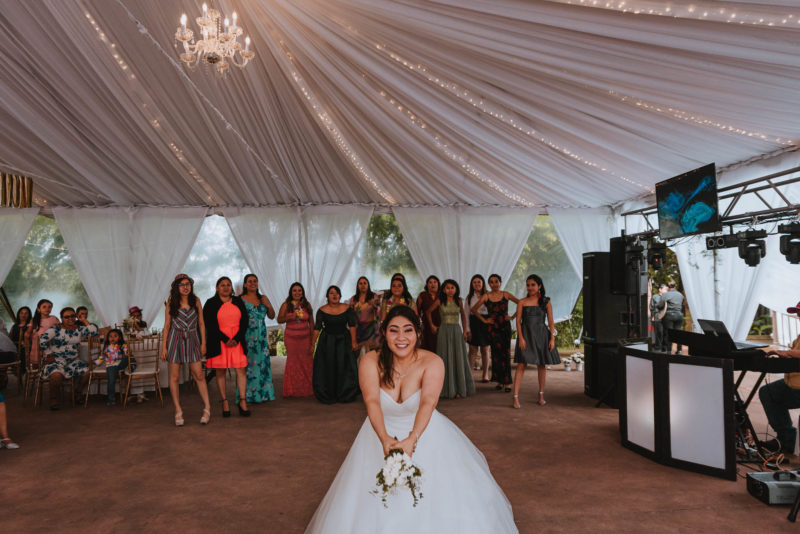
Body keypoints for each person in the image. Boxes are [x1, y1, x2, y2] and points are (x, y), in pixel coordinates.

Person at [304, 306, 518, 533]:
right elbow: (372, 402)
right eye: (394, 331)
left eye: (408, 330)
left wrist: (412, 439)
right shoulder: (370, 361)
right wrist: (384, 438)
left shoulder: (433, 361)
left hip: (425, 433)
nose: (401, 338)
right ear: (384, 333)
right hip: (379, 433)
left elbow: (428, 402)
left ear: (418, 333)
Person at [161, 274, 211, 426]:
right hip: (175, 339)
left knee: (199, 374)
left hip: (193, 339)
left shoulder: (196, 301)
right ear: (176, 287)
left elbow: (201, 323)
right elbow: (167, 326)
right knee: (174, 376)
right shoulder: (171, 303)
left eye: (187, 283)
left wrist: (203, 344)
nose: (185, 286)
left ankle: (207, 408)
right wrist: (164, 347)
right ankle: (178, 410)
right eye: (182, 284)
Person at [38, 307, 106, 410]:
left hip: (73, 361)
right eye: (67, 317)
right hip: (56, 360)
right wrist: (49, 354)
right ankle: (53, 399)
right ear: (61, 318)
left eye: (73, 316)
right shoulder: (55, 329)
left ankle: (77, 393)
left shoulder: (79, 329)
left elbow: (94, 332)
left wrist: (83, 320)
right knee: (56, 376)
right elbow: (43, 340)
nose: (70, 318)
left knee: (87, 372)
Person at [512, 275, 561, 408]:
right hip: (526, 335)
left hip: (541, 335)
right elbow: (518, 321)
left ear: (539, 286)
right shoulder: (522, 302)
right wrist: (520, 337)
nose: (530, 287)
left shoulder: (546, 301)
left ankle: (541, 395)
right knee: (521, 365)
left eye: (533, 284)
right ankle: (515, 397)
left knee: (541, 364)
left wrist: (552, 338)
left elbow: (551, 321)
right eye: (528, 285)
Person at [204, 277, 250, 417]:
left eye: (228, 285)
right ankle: (224, 401)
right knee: (220, 372)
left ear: (231, 288)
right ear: (217, 288)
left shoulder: (238, 301)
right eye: (222, 285)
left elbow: (245, 321)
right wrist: (225, 339)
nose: (226, 287)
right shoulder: (210, 303)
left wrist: (236, 338)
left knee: (240, 370)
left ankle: (242, 401)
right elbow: (209, 324)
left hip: (237, 341)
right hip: (219, 342)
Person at [758, 301, 800, 455]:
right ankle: (786, 439)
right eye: (797, 312)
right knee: (768, 392)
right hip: (792, 383)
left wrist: (786, 353)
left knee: (771, 395)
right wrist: (781, 353)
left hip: (798, 387)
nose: (798, 315)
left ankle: (787, 440)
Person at [471, 274, 519, 392]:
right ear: (489, 284)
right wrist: (485, 320)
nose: (494, 284)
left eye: (496, 281)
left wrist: (512, 317)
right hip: (493, 328)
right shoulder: (486, 296)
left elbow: (521, 303)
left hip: (505, 328)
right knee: (496, 355)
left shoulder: (506, 294)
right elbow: (473, 309)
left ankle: (507, 382)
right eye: (491, 282)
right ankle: (499, 381)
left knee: (505, 354)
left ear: (500, 282)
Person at [428, 279, 474, 399]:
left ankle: (459, 389)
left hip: (456, 331)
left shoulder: (458, 301)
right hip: (444, 331)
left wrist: (465, 331)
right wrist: (432, 325)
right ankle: (445, 389)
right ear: (443, 289)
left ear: (456, 289)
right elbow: (428, 312)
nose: (450, 290)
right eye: (447, 288)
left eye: (452, 288)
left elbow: (463, 316)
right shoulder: (440, 301)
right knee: (444, 358)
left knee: (458, 357)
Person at [312, 286, 359, 404]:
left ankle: (345, 393)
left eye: (337, 293)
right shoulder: (321, 310)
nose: (334, 295)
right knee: (328, 366)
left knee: (344, 366)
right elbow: (317, 328)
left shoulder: (347, 308)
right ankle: (329, 393)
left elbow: (352, 325)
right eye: (332, 293)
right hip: (327, 341)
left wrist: (354, 341)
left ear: (340, 295)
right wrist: (312, 344)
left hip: (344, 340)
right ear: (327, 296)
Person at [239, 274, 276, 403]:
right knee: (248, 365)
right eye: (249, 281)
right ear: (245, 284)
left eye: (255, 281)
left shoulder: (263, 298)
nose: (252, 283)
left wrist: (269, 306)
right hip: (247, 336)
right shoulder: (240, 299)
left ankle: (264, 394)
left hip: (261, 337)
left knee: (262, 364)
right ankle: (247, 395)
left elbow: (272, 316)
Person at [278, 282, 315, 397]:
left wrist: (312, 341)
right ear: (291, 292)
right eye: (294, 290)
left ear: (302, 292)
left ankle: (308, 389)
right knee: (293, 362)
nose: (297, 292)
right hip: (291, 339)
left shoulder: (307, 305)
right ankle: (292, 390)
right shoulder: (286, 305)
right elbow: (279, 319)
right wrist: (290, 317)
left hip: (305, 338)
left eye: (299, 290)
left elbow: (312, 323)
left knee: (307, 362)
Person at [465, 274, 490, 382]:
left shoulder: (489, 295)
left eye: (479, 282)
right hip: (474, 323)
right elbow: (466, 314)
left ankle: (485, 375)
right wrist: (467, 330)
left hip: (486, 324)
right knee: (472, 350)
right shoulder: (469, 297)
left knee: (485, 349)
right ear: (472, 284)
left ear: (483, 283)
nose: (477, 284)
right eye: (474, 282)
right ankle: (470, 375)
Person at [95, 329, 130, 406]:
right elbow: (103, 356)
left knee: (129, 357)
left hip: (120, 364)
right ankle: (111, 399)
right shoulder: (107, 348)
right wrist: (97, 362)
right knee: (111, 381)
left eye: (115, 336)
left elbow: (127, 352)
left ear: (119, 338)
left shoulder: (123, 345)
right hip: (111, 365)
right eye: (110, 336)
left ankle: (132, 366)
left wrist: (125, 351)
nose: (112, 338)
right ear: (108, 338)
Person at [349, 277, 382, 357]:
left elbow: (379, 313)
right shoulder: (353, 299)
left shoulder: (374, 296)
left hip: (371, 327)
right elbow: (350, 315)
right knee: (355, 351)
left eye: (365, 283)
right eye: (360, 283)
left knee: (374, 352)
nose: (363, 285)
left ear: (368, 285)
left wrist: (373, 305)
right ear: (357, 286)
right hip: (358, 329)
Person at [26, 299, 58, 365]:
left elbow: (59, 330)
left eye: (49, 307)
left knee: (50, 363)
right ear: (38, 309)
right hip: (37, 346)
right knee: (37, 365)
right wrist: (27, 341)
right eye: (44, 307)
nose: (47, 309)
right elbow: (27, 334)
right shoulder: (34, 320)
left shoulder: (54, 318)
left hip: (51, 345)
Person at [416, 275, 441, 352]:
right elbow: (417, 311)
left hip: (441, 324)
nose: (432, 284)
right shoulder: (422, 295)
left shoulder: (442, 295)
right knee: (427, 347)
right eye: (430, 282)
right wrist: (420, 324)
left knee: (440, 346)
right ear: (427, 285)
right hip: (426, 325)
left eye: (435, 282)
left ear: (438, 284)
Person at [662, 281, 685, 354]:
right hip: (679, 315)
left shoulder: (666, 295)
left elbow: (660, 305)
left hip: (669, 315)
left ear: (668, 287)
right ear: (675, 286)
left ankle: (669, 350)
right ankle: (679, 350)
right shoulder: (680, 295)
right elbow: (682, 304)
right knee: (678, 333)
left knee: (669, 333)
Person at [9, 306, 31, 375]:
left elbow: (31, 339)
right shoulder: (14, 326)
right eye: (21, 313)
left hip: (25, 347)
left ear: (29, 315)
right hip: (14, 346)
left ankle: (21, 370)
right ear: (19, 314)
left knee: (23, 350)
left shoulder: (30, 326)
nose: (23, 315)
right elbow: (9, 338)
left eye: (26, 313)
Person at [650, 284, 668, 351]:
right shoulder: (655, 297)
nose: (666, 290)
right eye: (665, 289)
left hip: (666, 318)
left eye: (666, 289)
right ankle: (658, 347)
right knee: (659, 332)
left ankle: (664, 347)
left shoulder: (667, 297)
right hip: (657, 317)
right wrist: (653, 316)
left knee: (665, 333)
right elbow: (651, 307)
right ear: (660, 289)